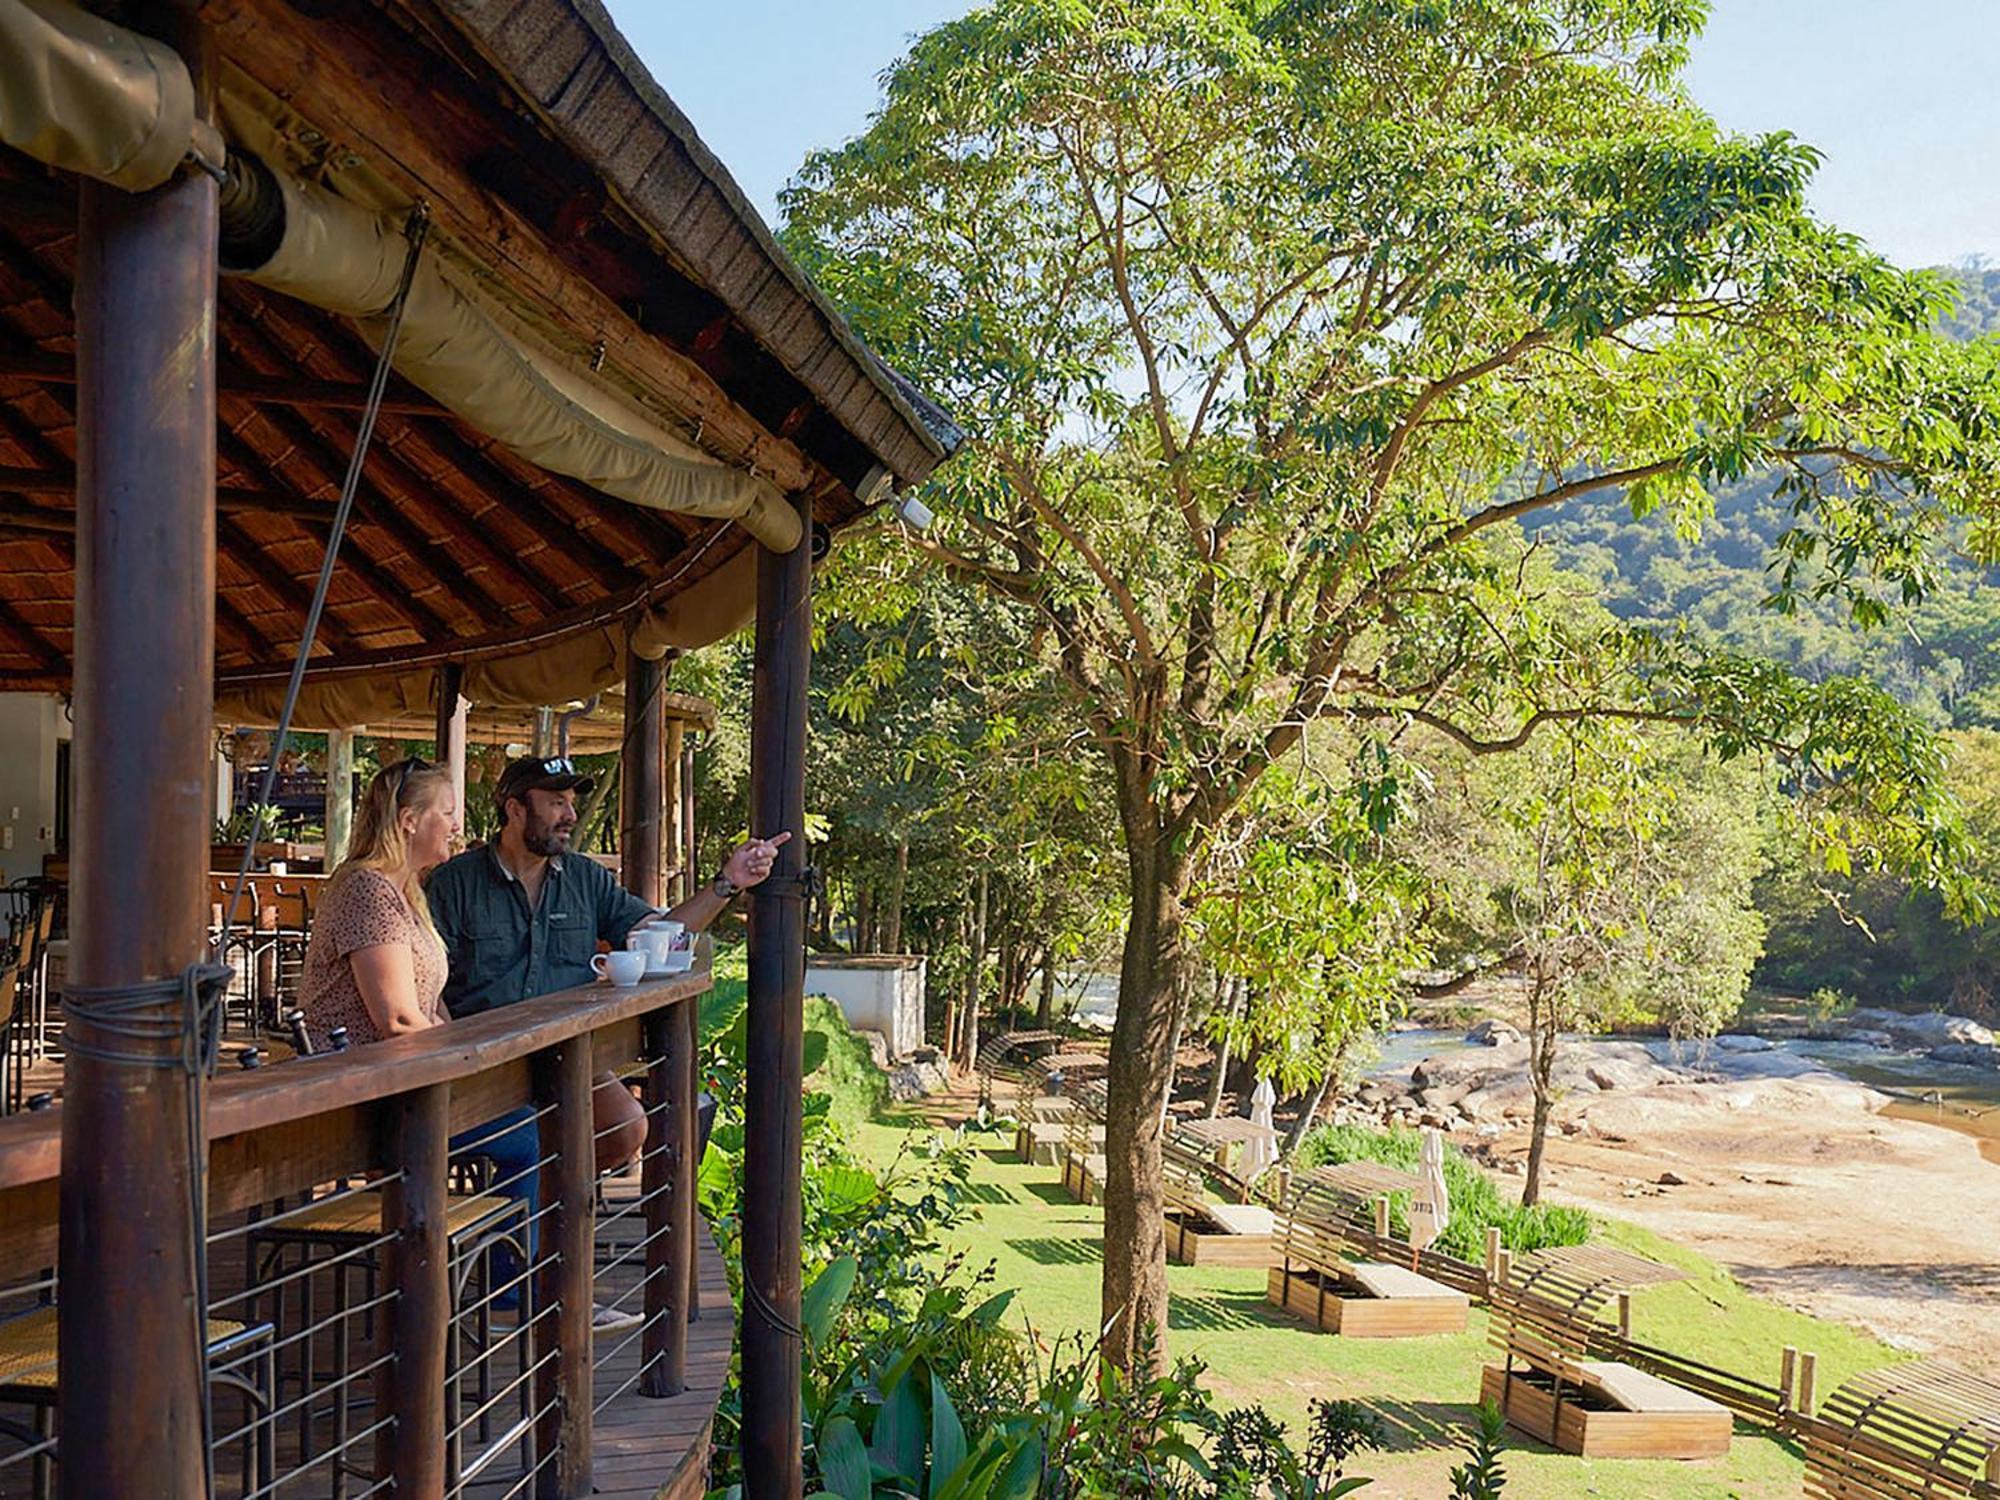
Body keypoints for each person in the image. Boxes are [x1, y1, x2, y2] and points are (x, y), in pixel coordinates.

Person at [426, 753, 788, 1332]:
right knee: (537, 1142)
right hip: (484, 1065)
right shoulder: (453, 884)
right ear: (515, 809)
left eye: (572, 802)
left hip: (565, 1057)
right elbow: (426, 981)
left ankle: (536, 1255)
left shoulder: (587, 878)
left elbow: (659, 935)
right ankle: (517, 1289)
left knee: (623, 1126)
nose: (570, 814)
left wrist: (728, 883)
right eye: (556, 802)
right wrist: (450, 1053)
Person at [297, 756, 457, 1048]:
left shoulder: (406, 891)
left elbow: (427, 1008)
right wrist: (464, 1055)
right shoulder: (366, 889)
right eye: (448, 813)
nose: (456, 826)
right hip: (346, 1080)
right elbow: (399, 1021)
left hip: (388, 1074)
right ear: (409, 821)